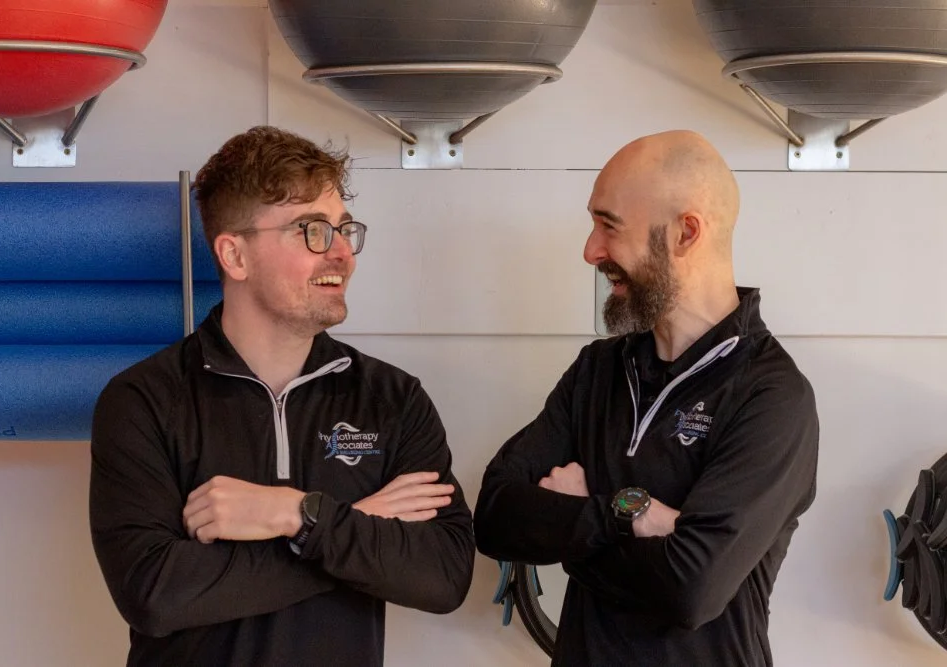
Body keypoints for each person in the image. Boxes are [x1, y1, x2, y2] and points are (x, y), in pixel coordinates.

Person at [89, 126, 475, 666]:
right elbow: (156, 595)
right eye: (311, 230)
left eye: (344, 229)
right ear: (234, 255)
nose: (342, 253)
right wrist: (355, 524)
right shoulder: (143, 401)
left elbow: (443, 576)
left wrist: (299, 515)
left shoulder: (392, 398)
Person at [474, 130, 819, 666]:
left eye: (609, 225)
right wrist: (622, 513)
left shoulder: (771, 396)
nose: (591, 250)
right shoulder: (599, 370)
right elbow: (494, 516)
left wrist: (569, 529)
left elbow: (691, 590)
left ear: (685, 233)